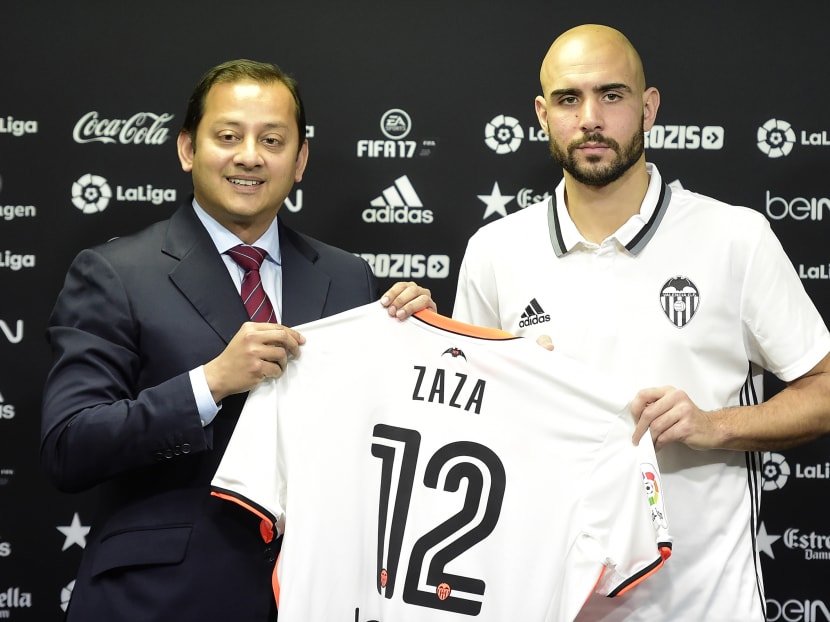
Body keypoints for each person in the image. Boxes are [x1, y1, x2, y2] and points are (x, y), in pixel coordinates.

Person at [452, 24, 830, 622]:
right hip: (542, 603)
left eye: (613, 95)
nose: (591, 118)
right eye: (569, 99)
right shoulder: (495, 250)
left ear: (649, 107)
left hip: (705, 606)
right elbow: (460, 421)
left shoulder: (736, 237)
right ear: (541, 113)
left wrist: (715, 425)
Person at [40, 59, 434, 622]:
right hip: (162, 601)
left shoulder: (348, 277)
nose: (250, 155)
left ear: (299, 161)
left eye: (272, 140)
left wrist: (422, 347)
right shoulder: (114, 272)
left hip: (315, 594)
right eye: (228, 136)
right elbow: (68, 446)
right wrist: (211, 383)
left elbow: (387, 435)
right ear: (186, 149)